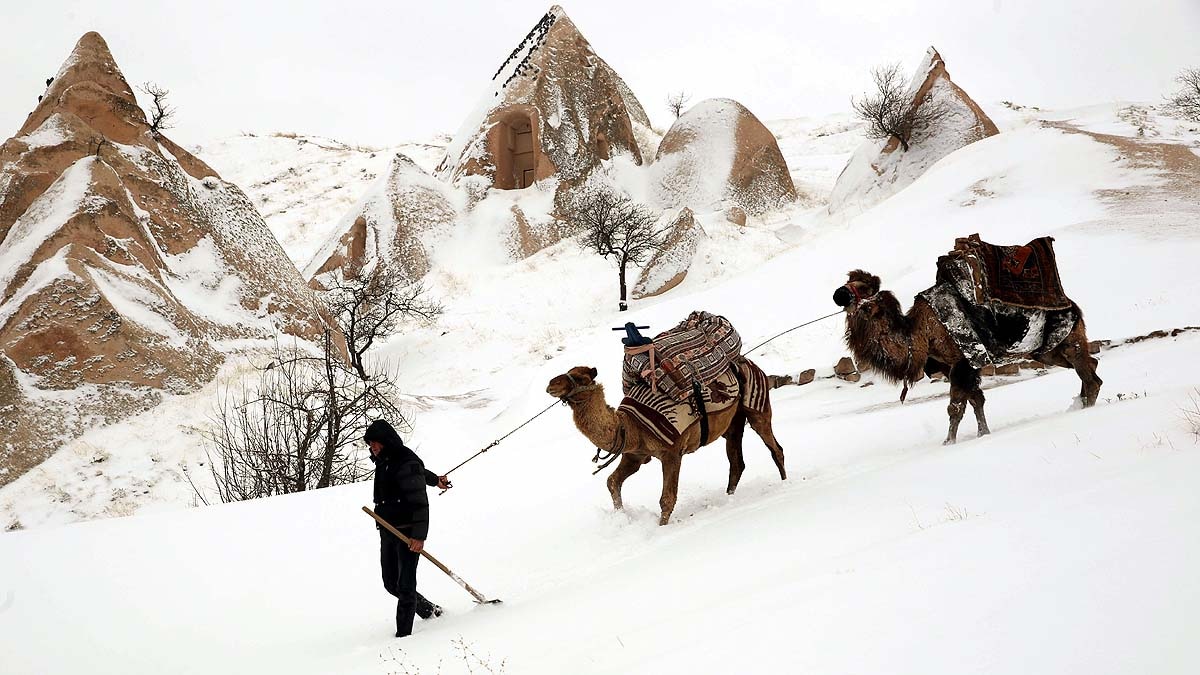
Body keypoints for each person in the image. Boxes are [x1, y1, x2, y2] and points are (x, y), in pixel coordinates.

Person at [365, 419, 452, 638]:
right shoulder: (386, 461)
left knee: (405, 585)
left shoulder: (405, 460)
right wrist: (436, 480)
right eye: (370, 444)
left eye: (375, 443)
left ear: (386, 441)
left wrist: (419, 537)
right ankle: (429, 610)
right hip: (387, 530)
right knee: (391, 582)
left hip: (407, 533)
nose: (372, 448)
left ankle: (404, 639)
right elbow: (419, 473)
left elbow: (419, 501)